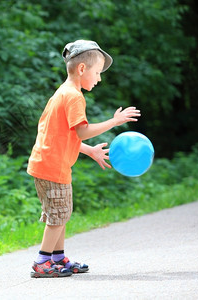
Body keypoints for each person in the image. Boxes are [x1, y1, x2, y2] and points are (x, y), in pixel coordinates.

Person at [28, 40, 141, 278]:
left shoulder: (63, 93)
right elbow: (82, 131)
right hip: (52, 166)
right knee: (57, 216)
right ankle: (42, 262)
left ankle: (58, 258)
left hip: (50, 163)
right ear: (82, 69)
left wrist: (90, 151)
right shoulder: (73, 96)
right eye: (97, 72)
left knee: (61, 213)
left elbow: (64, 136)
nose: (99, 78)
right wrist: (113, 122)